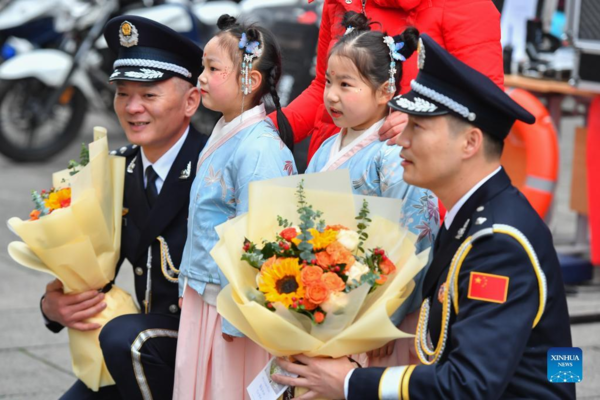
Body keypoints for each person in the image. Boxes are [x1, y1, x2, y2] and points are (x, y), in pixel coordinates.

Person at [272, 33, 575, 400]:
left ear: (470, 143)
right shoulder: (471, 217)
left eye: (418, 127)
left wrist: (350, 382)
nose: (400, 139)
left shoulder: (498, 241)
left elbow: (470, 384)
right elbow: (557, 351)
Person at [40, 15, 207, 400]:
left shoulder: (213, 169)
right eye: (122, 93)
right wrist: (53, 306)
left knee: (123, 338)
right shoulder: (115, 169)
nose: (132, 108)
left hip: (200, 348)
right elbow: (90, 268)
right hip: (134, 349)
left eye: (149, 95)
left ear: (190, 101)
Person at [172, 15, 297, 400]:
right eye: (202, 68)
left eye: (213, 69)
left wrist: (239, 319)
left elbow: (260, 241)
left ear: (250, 80)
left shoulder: (259, 148)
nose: (201, 78)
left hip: (231, 312)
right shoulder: (229, 131)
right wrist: (186, 284)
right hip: (205, 296)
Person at [304, 12, 438, 364]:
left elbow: (412, 239)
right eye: (330, 82)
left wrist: (384, 317)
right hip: (329, 297)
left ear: (385, 91)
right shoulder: (324, 149)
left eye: (346, 85)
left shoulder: (393, 156)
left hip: (382, 311)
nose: (331, 95)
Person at [273, 0, 505, 161]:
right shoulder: (341, 2)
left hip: (410, 174)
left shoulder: (468, 6)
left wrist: (424, 120)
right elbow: (322, 89)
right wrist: (265, 131)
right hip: (334, 165)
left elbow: (486, 106)